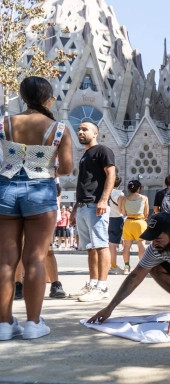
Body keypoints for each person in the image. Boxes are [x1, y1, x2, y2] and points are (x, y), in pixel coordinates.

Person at [0, 76, 73, 340]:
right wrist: (42, 163)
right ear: (48, 98)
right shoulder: (57, 128)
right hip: (40, 189)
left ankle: (4, 325)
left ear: (22, 97)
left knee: (6, 261)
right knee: (34, 259)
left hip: (5, 189)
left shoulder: (4, 123)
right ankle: (32, 323)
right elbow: (65, 168)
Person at [70, 121, 116, 303]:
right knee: (90, 247)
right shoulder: (85, 155)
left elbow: (111, 174)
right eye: (79, 129)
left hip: (96, 205)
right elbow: (83, 183)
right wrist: (75, 209)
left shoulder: (102, 151)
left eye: (84, 129)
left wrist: (103, 200)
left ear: (95, 133)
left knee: (100, 245)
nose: (80, 131)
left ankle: (102, 287)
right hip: (83, 206)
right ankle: (92, 284)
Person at [120, 179, 149, 273]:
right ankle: (142, 267)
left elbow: (123, 213)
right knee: (141, 246)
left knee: (126, 247)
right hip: (140, 222)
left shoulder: (125, 198)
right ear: (139, 188)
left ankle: (126, 267)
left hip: (128, 223)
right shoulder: (144, 198)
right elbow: (146, 214)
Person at [107, 175, 125, 275]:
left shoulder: (105, 191)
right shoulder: (119, 193)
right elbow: (121, 209)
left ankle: (108, 265)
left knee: (108, 244)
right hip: (116, 219)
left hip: (106, 218)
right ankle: (113, 266)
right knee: (113, 245)